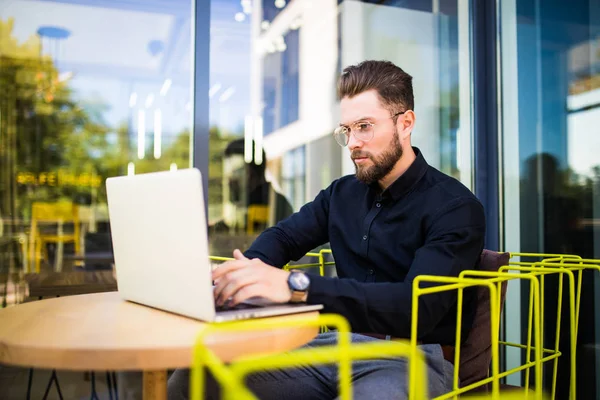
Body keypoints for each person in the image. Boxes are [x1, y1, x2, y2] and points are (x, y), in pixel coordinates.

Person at [168, 60, 486, 399]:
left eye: (364, 126)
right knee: (194, 380)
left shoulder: (455, 207)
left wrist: (295, 285)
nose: (352, 143)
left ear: (405, 123)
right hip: (335, 345)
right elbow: (284, 237)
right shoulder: (341, 194)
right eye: (346, 130)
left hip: (410, 356)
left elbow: (416, 309)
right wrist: (247, 273)